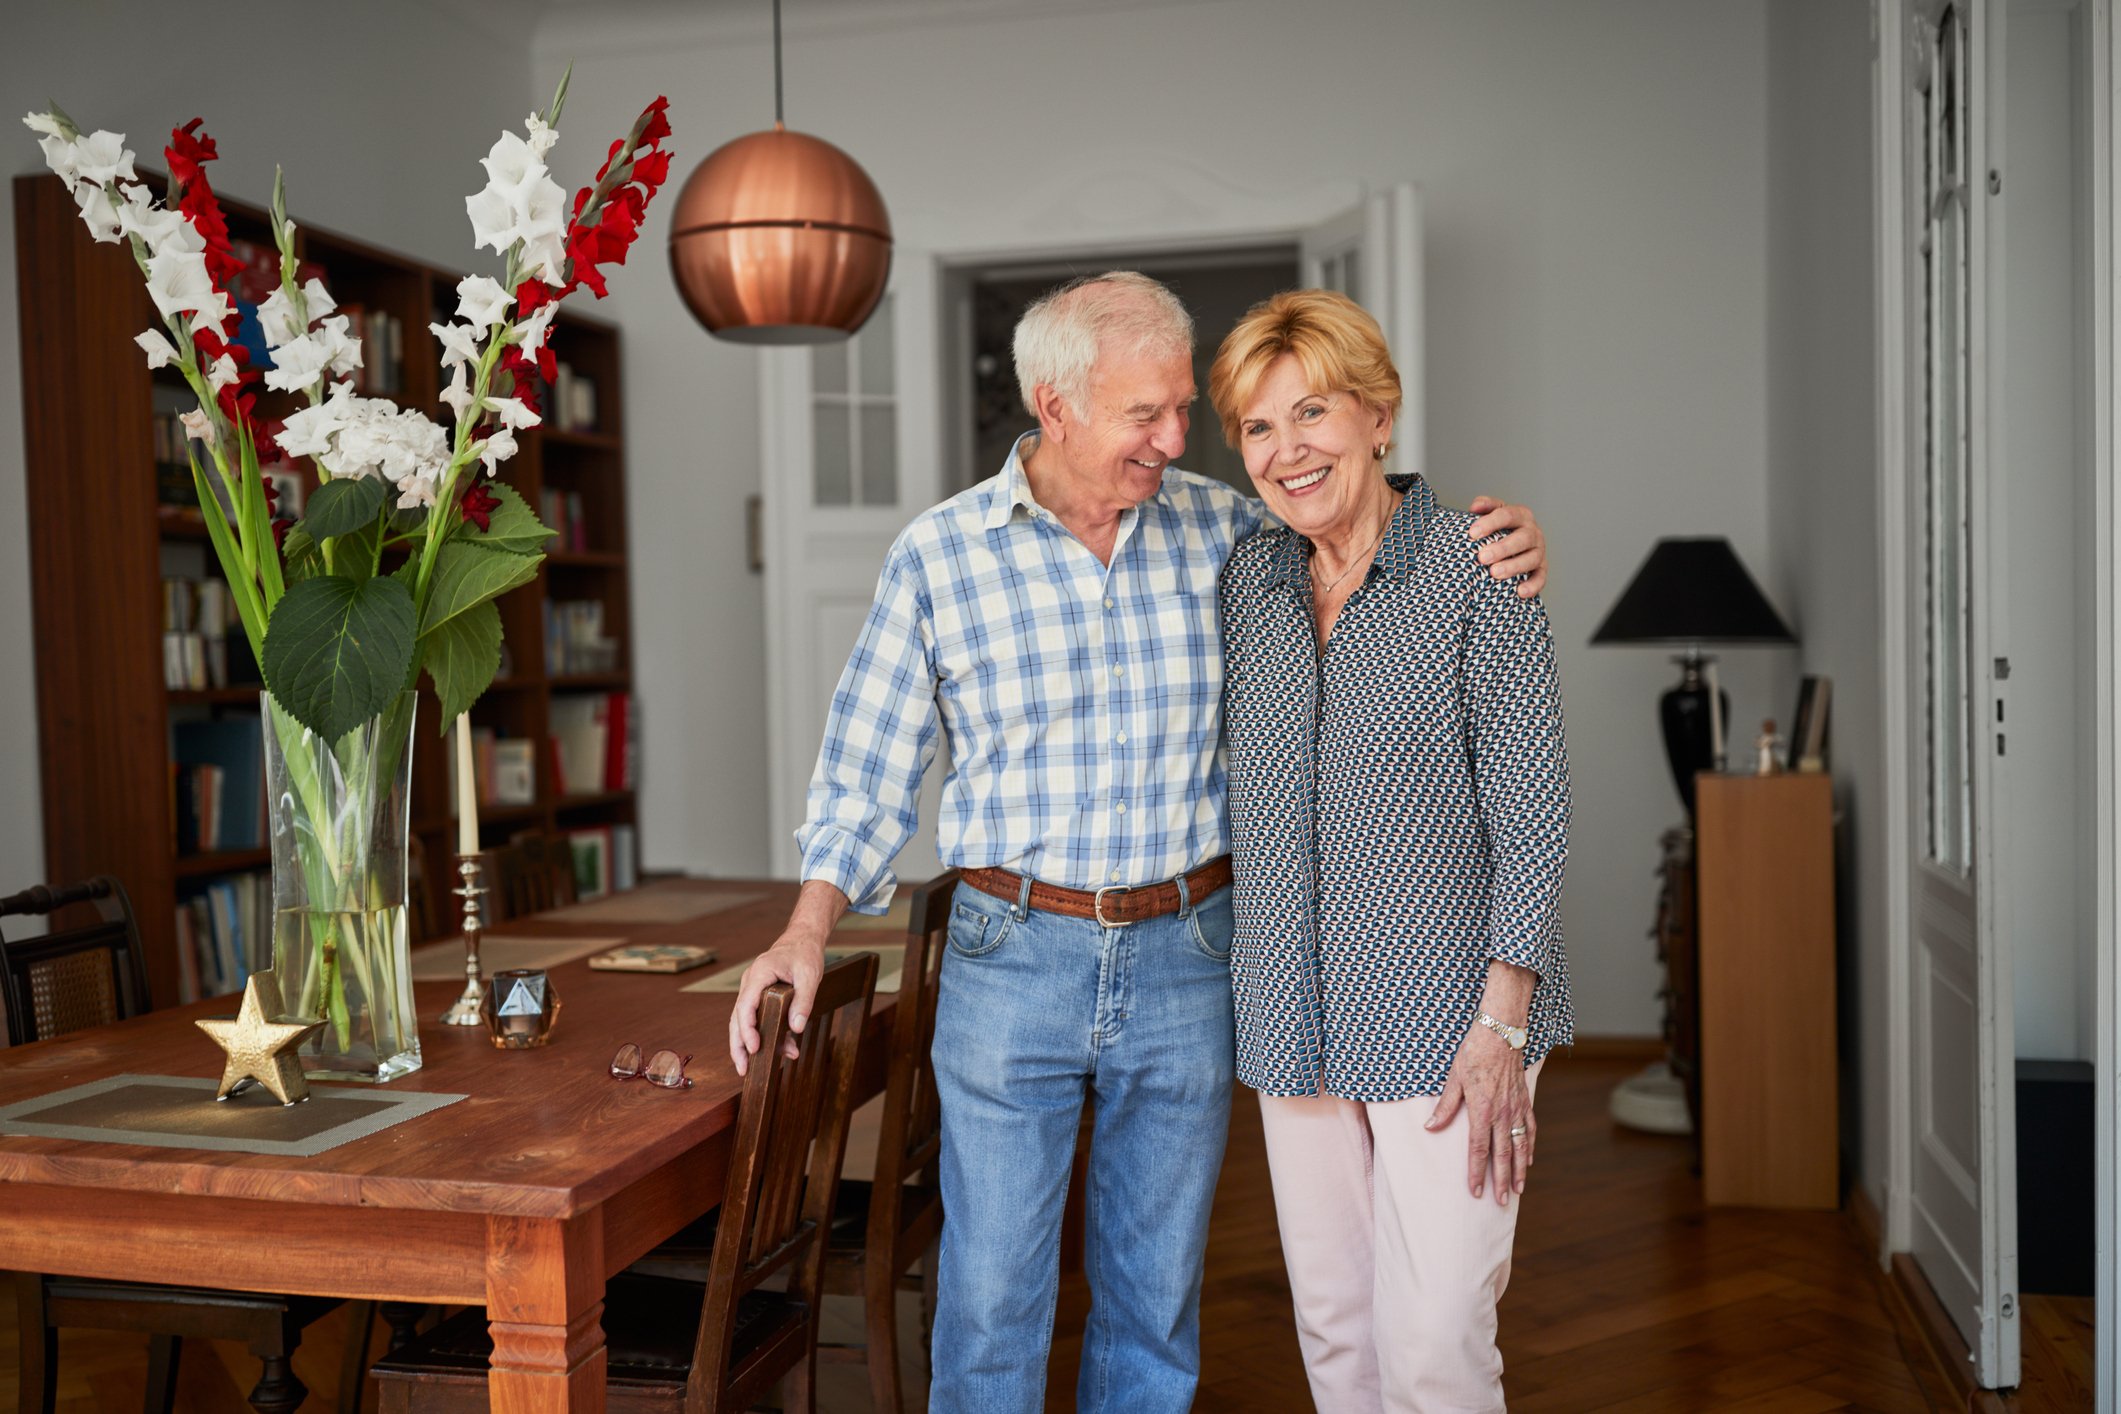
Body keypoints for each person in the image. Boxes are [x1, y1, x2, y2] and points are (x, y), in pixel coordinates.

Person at [727, 272, 1550, 1413]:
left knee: (1153, 1301)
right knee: (990, 1296)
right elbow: (867, 768)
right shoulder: (942, 555)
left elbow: (1361, 518)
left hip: (1188, 953)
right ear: (1055, 404)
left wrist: (1487, 536)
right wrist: (806, 930)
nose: (1179, 440)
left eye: (1185, 412)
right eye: (1147, 414)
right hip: (1011, 951)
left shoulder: (1228, 535)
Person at [1210, 288, 1572, 1413]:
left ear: (1378, 413)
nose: (1287, 450)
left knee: (1431, 1346)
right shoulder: (1246, 584)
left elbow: (1535, 808)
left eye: (1311, 412)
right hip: (1292, 1015)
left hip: (1451, 1026)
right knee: (1337, 1338)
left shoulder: (1478, 568)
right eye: (1259, 429)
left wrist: (1503, 1022)